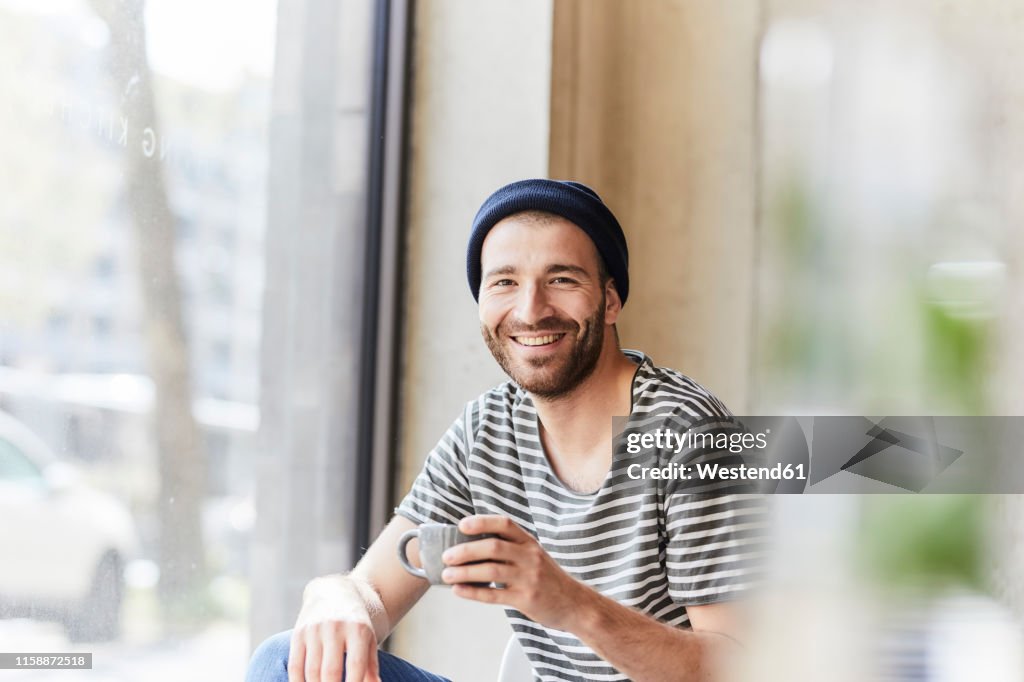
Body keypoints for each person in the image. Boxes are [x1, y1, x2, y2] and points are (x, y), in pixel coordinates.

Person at [246, 179, 765, 682]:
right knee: (283, 660)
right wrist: (334, 597)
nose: (530, 310)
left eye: (562, 279)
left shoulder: (691, 435)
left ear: (609, 301)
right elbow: (374, 591)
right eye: (504, 282)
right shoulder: (487, 431)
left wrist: (569, 604)